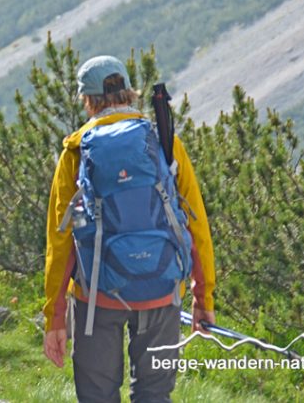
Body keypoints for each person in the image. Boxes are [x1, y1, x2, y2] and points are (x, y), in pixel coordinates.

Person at [42, 55, 216, 402]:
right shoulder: (162, 142)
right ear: (129, 93)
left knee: (98, 396)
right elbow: (195, 225)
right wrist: (203, 296)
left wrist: (55, 316)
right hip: (161, 291)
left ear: (87, 100)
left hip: (97, 296)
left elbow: (61, 240)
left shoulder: (77, 151)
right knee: (153, 395)